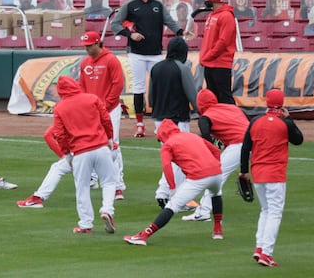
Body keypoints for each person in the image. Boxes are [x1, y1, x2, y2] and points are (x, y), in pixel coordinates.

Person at [123, 118, 224, 246]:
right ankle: (217, 230)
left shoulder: (168, 144)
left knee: (172, 206)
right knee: (216, 195)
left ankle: (144, 235)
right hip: (216, 173)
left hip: (198, 177)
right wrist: (216, 166)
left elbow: (166, 166)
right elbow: (215, 151)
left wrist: (172, 188)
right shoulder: (191, 135)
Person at [110, 0, 184, 138]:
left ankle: (161, 123)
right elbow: (114, 24)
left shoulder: (158, 5)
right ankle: (139, 124)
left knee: (160, 87)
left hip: (156, 53)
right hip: (136, 53)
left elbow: (169, 21)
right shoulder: (130, 6)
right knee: (138, 88)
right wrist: (130, 35)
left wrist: (180, 31)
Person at [239, 89, 304, 267]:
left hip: (258, 173)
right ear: (282, 103)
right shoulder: (284, 123)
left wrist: (243, 171)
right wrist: (289, 119)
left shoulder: (255, 121)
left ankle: (259, 247)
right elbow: (299, 140)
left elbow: (245, 148)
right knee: (274, 212)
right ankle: (266, 253)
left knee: (266, 211)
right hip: (275, 173)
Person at [49, 75, 116, 234]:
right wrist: (110, 137)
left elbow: (59, 134)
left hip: (80, 152)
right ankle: (107, 209)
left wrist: (66, 153)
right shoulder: (92, 98)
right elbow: (106, 119)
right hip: (100, 146)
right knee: (109, 182)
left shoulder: (60, 108)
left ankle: (86, 224)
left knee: (82, 187)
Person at [182, 89, 247, 222]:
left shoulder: (205, 117)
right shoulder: (231, 108)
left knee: (214, 175)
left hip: (238, 145)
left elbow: (207, 137)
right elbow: (240, 126)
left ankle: (203, 212)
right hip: (256, 142)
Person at [148, 37, 198, 206]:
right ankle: (175, 197)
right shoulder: (182, 68)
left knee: (172, 157)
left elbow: (151, 97)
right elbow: (193, 95)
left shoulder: (156, 68)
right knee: (181, 158)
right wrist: (202, 113)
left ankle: (165, 193)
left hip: (160, 120)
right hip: (177, 120)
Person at [79, 31, 127, 200]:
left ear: (98, 43)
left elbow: (118, 84)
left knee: (112, 144)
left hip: (110, 109)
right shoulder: (85, 63)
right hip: (92, 109)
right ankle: (92, 177)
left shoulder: (111, 60)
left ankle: (118, 185)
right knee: (90, 142)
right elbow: (82, 86)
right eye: (85, 46)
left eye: (90, 45)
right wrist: (85, 105)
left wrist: (106, 105)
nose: (87, 49)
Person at [200, 0, 238, 105]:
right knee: (212, 97)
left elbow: (223, 41)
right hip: (209, 63)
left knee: (225, 97)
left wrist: (209, 55)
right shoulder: (212, 15)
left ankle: (235, 122)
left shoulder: (226, 16)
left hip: (220, 64)